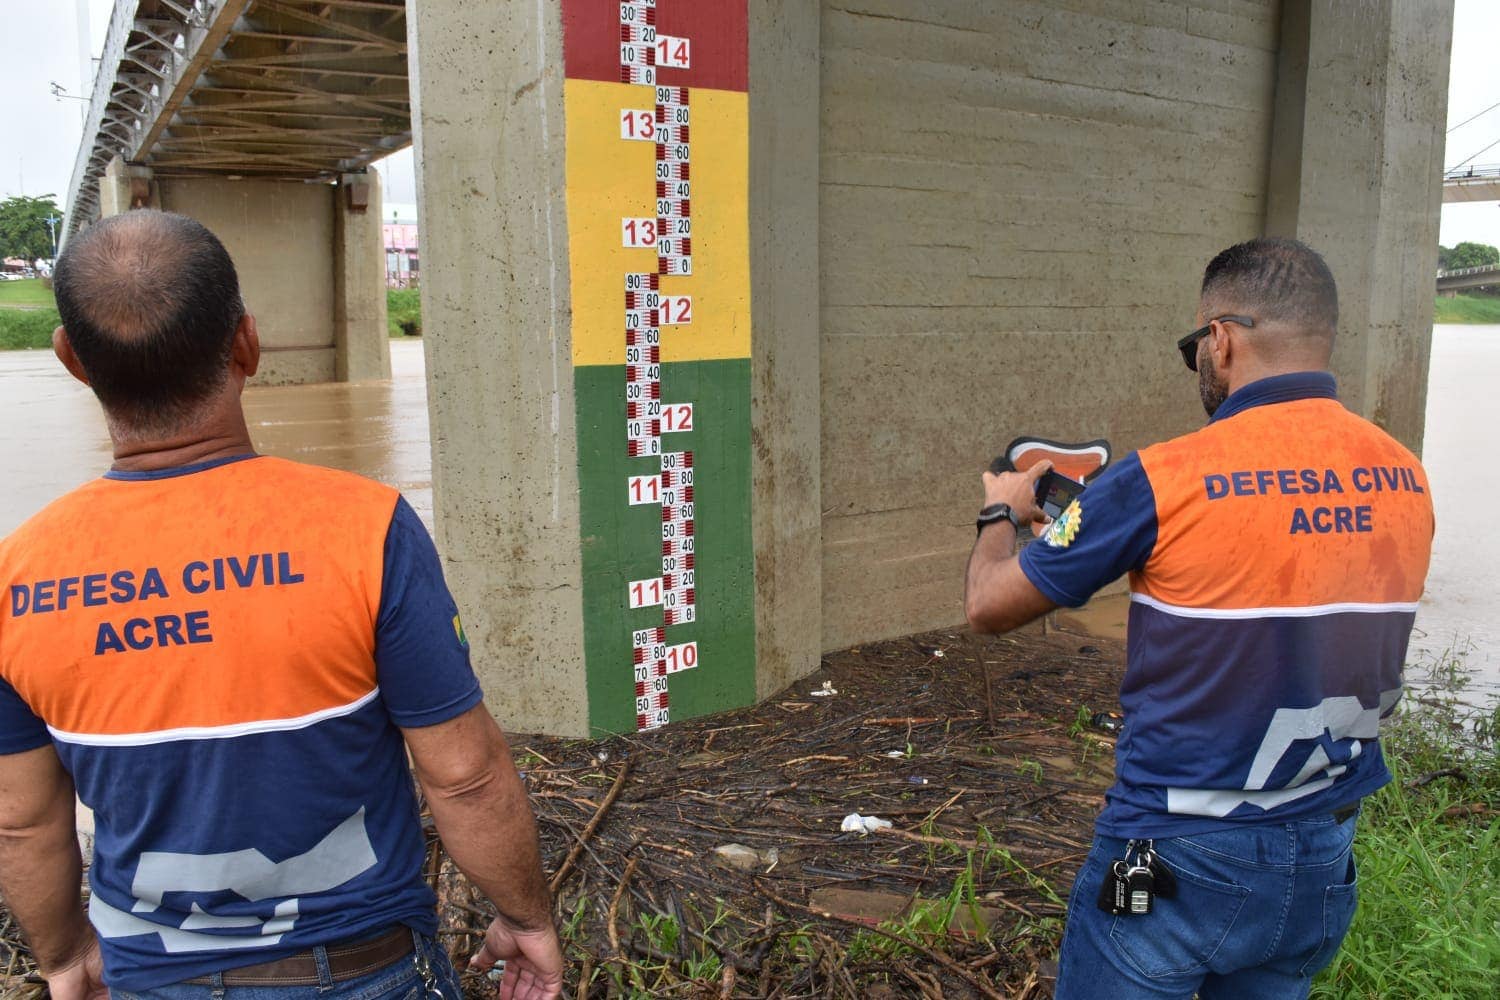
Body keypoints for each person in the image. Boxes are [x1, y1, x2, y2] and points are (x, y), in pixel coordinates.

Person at [0, 210, 564, 1000]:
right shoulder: (366, 528)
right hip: (367, 969)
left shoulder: (16, 575)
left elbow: (22, 821)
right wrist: (527, 918)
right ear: (247, 344)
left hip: (150, 978)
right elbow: (464, 776)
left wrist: (63, 958)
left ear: (72, 362)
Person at [964, 238, 1434, 999]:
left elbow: (990, 605)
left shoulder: (1164, 477)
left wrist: (1000, 508)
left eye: (1196, 348)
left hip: (1164, 857)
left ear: (1221, 337)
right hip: (1320, 860)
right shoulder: (1404, 474)